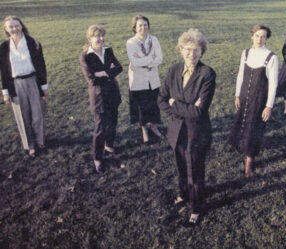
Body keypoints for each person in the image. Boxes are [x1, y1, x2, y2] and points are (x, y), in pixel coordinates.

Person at [158, 28, 216, 224]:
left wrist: (175, 103)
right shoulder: (173, 70)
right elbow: (161, 99)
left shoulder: (207, 74)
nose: (192, 54)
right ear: (180, 50)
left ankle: (195, 207)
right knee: (181, 167)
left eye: (196, 50)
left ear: (202, 52)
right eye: (188, 49)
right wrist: (184, 107)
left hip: (196, 133)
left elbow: (199, 111)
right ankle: (183, 194)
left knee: (195, 172)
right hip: (176, 131)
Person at [228, 24, 278, 177]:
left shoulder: (271, 57)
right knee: (242, 121)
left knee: (254, 128)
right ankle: (240, 145)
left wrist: (269, 106)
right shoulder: (246, 53)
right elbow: (241, 75)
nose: (259, 39)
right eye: (257, 35)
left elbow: (273, 83)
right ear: (252, 36)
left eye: (263, 36)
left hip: (259, 99)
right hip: (244, 96)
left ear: (266, 39)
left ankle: (249, 160)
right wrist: (237, 95)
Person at [0, 16, 48, 158]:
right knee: (22, 116)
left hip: (33, 81)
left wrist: (44, 86)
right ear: (6, 29)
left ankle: (40, 141)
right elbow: (3, 72)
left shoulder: (33, 43)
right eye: (11, 27)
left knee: (37, 114)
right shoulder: (3, 47)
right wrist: (5, 92)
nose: (14, 29)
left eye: (16, 25)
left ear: (21, 25)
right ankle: (30, 145)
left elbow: (41, 65)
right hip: (15, 84)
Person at [79, 25, 122, 173]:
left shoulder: (108, 50)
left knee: (113, 122)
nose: (100, 39)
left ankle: (109, 144)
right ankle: (97, 158)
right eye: (97, 36)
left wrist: (102, 73)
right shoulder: (85, 56)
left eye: (102, 35)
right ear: (89, 38)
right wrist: (108, 72)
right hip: (99, 97)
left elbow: (119, 68)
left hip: (113, 93)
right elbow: (91, 80)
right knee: (100, 128)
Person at [126, 15, 163, 143]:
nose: (143, 28)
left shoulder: (154, 39)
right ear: (135, 28)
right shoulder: (131, 42)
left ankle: (154, 127)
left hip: (152, 79)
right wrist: (151, 59)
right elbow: (134, 62)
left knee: (153, 104)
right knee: (141, 106)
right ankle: (144, 130)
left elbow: (160, 59)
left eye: (145, 25)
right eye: (140, 25)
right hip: (138, 79)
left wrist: (145, 61)